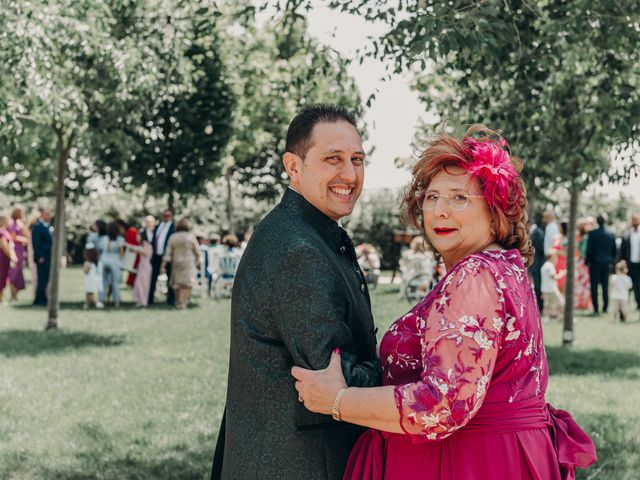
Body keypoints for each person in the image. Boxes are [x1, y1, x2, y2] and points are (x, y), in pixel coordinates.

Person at [292, 126, 596, 480]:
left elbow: (441, 405)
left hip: (471, 463)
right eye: (432, 197)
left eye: (459, 198)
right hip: (504, 455)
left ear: (494, 208)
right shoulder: (506, 266)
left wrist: (336, 400)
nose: (440, 210)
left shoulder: (475, 276)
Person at [212, 104, 381, 480]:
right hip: (298, 462)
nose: (349, 174)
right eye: (332, 159)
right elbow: (334, 376)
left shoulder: (304, 231)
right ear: (293, 166)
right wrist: (419, 370)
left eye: (357, 159)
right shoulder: (297, 249)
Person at [160, 218, 201, 309]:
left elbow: (168, 253)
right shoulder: (191, 237)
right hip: (188, 262)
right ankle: (184, 302)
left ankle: (178, 302)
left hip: (176, 262)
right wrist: (199, 262)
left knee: (177, 284)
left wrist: (162, 266)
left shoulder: (173, 237)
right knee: (186, 283)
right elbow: (197, 251)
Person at [585, 213, 617, 315]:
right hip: (606, 263)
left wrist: (587, 261)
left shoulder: (592, 234)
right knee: (605, 286)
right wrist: (611, 260)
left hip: (594, 263)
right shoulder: (611, 234)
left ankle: (596, 308)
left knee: (594, 287)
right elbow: (615, 251)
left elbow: (589, 250)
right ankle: (605, 308)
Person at [148, 209, 174, 305]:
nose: (166, 217)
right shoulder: (158, 226)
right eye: (164, 215)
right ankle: (149, 299)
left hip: (167, 257)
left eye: (168, 215)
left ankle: (170, 300)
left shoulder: (173, 227)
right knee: (153, 278)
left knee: (170, 278)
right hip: (156, 256)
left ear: (171, 217)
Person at [99, 221, 125, 307]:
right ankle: (116, 301)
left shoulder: (104, 238)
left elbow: (103, 249)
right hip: (115, 261)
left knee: (103, 282)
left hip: (104, 260)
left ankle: (101, 300)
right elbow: (121, 253)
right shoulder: (120, 239)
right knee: (115, 283)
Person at [618, 213, 640, 311]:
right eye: (633, 219)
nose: (635, 221)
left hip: (639, 265)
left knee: (638, 286)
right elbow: (622, 251)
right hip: (629, 265)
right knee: (627, 286)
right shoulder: (626, 234)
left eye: (636, 219)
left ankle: (638, 304)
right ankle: (624, 306)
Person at [7, 205, 29, 301]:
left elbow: (27, 234)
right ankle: (13, 295)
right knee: (14, 272)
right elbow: (13, 237)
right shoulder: (12, 224)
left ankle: (15, 294)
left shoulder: (21, 223)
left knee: (19, 272)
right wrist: (24, 239)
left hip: (20, 250)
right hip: (15, 249)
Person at [126, 231, 153, 308]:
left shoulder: (146, 244)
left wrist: (135, 249)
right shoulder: (141, 245)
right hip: (141, 266)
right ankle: (138, 300)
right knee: (138, 284)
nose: (136, 238)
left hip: (146, 267)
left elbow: (146, 253)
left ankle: (143, 301)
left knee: (143, 285)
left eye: (138, 236)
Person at [32, 207, 53, 306]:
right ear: (42, 215)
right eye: (46, 214)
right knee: (42, 278)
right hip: (42, 257)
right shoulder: (38, 227)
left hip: (48, 256)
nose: (49, 216)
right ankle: (39, 298)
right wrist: (39, 256)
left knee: (45, 278)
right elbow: (36, 243)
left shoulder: (47, 226)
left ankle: (42, 297)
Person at [541, 251, 566, 322]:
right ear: (552, 257)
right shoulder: (550, 266)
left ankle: (546, 318)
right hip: (551, 289)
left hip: (545, 289)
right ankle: (563, 318)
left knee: (548, 305)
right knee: (561, 302)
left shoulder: (545, 266)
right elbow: (554, 277)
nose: (557, 259)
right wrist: (562, 274)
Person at [527, 214, 545, 312]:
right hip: (534, 264)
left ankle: (540, 307)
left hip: (538, 263)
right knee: (536, 285)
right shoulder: (534, 232)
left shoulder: (537, 233)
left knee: (538, 285)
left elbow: (540, 250)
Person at [0, 215, 18, 305]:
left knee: (5, 277)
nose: (10, 222)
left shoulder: (6, 231)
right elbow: (4, 246)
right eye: (8, 220)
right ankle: (1, 297)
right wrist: (11, 257)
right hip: (2, 258)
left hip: (6, 257)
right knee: (1, 277)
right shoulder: (2, 231)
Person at [82, 243, 104, 309]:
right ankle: (86, 303)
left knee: (90, 293)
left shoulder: (87, 263)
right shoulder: (98, 262)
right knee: (88, 293)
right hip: (97, 279)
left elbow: (86, 271)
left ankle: (97, 303)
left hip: (90, 280)